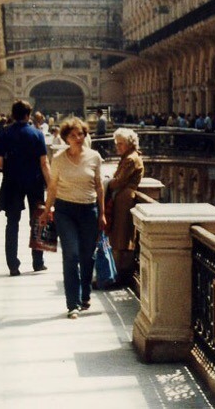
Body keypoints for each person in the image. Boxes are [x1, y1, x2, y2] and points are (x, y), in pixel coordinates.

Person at [43, 117, 106, 318]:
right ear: (65, 138)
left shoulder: (94, 157)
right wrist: (46, 210)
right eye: (73, 135)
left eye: (81, 134)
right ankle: (73, 303)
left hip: (89, 211)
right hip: (65, 211)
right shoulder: (59, 159)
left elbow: (99, 186)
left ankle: (85, 294)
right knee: (71, 254)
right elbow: (52, 187)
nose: (78, 138)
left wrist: (102, 213)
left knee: (88, 256)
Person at [0, 100, 52, 276]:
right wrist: (51, 185)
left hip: (12, 182)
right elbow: (44, 162)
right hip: (34, 182)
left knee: (12, 223)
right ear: (28, 115)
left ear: (12, 114)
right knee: (37, 220)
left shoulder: (4, 133)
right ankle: (38, 261)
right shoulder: (37, 134)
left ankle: (13, 265)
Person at [106, 128, 145, 280]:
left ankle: (120, 274)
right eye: (117, 144)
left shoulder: (131, 159)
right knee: (119, 235)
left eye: (120, 144)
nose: (118, 147)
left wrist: (106, 183)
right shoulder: (127, 157)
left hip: (125, 201)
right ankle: (117, 273)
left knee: (122, 235)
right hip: (122, 200)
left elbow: (119, 181)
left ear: (129, 144)